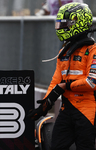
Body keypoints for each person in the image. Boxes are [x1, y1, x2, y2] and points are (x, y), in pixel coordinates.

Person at [28, 2, 96, 150]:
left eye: (64, 24)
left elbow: (92, 82)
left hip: (87, 110)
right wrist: (45, 105)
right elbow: (55, 82)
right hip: (67, 110)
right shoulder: (64, 52)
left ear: (77, 23)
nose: (61, 28)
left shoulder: (93, 50)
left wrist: (66, 86)